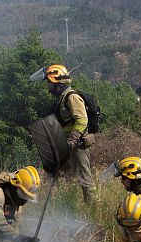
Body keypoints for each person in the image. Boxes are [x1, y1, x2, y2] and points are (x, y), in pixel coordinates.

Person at [38, 64, 95, 204]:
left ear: (57, 82)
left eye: (49, 82)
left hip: (78, 145)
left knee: (84, 178)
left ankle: (93, 207)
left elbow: (82, 120)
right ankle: (55, 206)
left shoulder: (72, 97)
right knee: (55, 175)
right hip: (66, 145)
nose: (48, 86)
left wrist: (72, 140)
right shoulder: (61, 99)